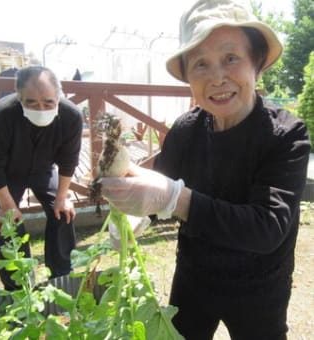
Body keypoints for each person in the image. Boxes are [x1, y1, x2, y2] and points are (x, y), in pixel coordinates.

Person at [100, 0, 311, 339]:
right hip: (195, 278)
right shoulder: (186, 130)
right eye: (200, 64)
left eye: (231, 58)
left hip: (260, 286)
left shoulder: (286, 135)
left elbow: (268, 228)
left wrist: (174, 199)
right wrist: (134, 216)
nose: (217, 77)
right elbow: (160, 186)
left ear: (256, 64)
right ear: (188, 78)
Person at [0, 66, 83, 290]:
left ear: (59, 96)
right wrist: (7, 205)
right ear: (18, 97)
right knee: (9, 222)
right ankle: (17, 284)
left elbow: (68, 160)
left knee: (62, 211)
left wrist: (62, 197)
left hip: (43, 169)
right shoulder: (1, 115)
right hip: (5, 174)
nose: (41, 108)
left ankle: (62, 273)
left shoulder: (72, 116)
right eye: (31, 102)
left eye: (48, 102)